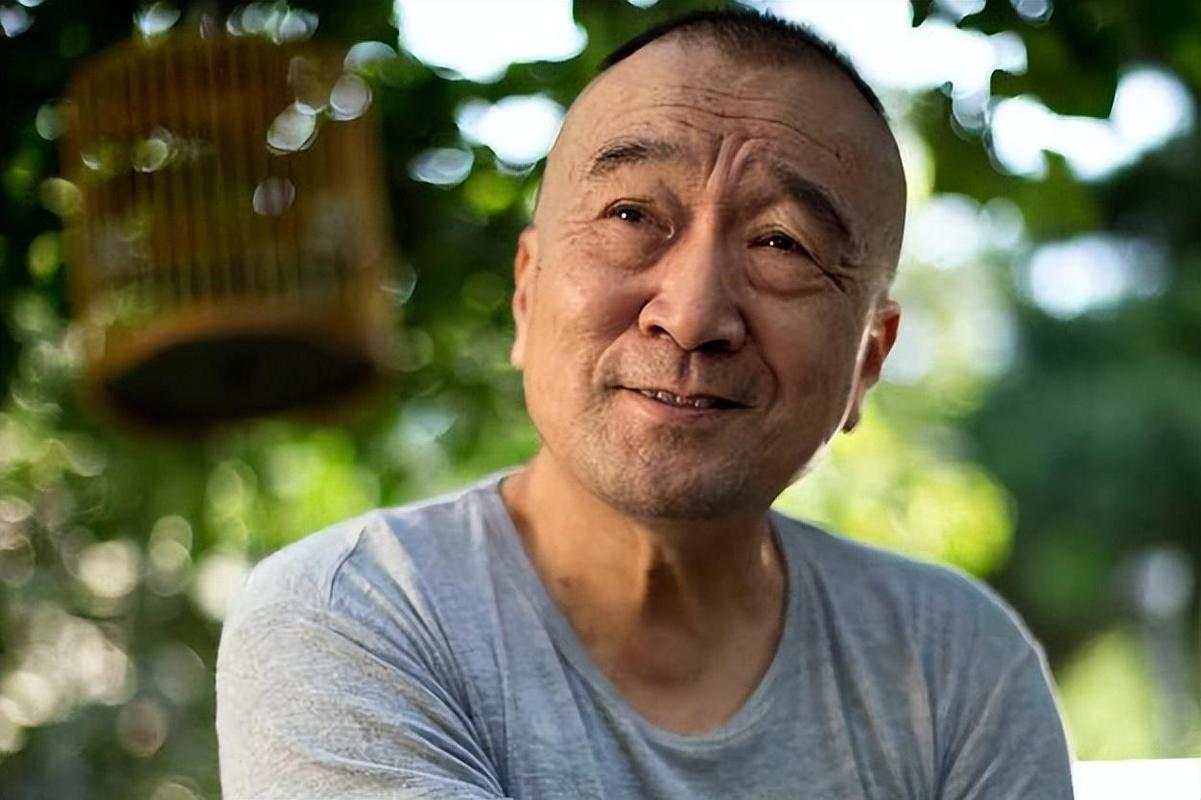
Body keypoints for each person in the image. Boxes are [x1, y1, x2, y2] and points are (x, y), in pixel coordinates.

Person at [216, 9, 1074, 799]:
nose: (693, 315)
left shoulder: (952, 667)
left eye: (782, 243)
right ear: (526, 295)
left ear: (866, 362)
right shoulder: (356, 614)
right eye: (631, 215)